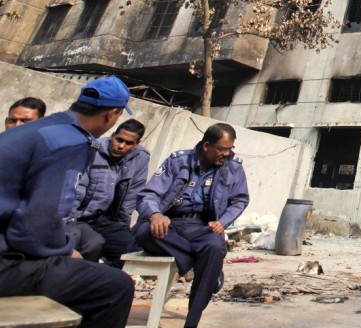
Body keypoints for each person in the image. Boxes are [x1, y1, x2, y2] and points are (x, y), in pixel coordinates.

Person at [0, 77, 136, 328]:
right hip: (4, 262)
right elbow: (34, 226)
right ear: (111, 115)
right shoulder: (70, 143)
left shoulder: (42, 129)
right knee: (116, 285)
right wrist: (64, 250)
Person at [135, 123, 249, 328]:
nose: (227, 154)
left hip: (203, 226)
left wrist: (222, 222)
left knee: (215, 247)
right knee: (145, 232)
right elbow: (149, 194)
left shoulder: (233, 167)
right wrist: (155, 214)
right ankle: (201, 264)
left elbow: (240, 199)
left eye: (230, 149)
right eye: (222, 149)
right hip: (170, 224)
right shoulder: (178, 161)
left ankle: (192, 321)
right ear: (206, 146)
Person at [66, 118, 150, 268]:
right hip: (78, 218)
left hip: (107, 221)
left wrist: (123, 228)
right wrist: (66, 221)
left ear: (136, 145)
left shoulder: (140, 158)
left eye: (128, 143)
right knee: (91, 244)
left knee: (129, 250)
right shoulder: (92, 150)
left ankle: (101, 274)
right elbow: (76, 191)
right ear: (112, 136)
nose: (121, 146)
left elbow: (131, 196)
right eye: (119, 140)